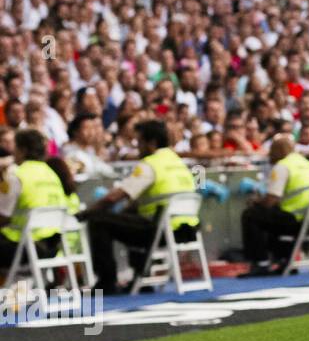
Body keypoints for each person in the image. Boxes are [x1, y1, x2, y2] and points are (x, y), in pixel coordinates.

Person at [78, 120, 200, 295]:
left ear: (151, 143)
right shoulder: (179, 163)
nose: (138, 147)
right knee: (129, 217)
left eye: (140, 142)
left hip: (161, 230)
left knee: (99, 221)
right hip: (187, 228)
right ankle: (142, 277)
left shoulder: (150, 164)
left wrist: (88, 212)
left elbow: (116, 196)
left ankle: (106, 282)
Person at [241, 134, 309, 275]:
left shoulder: (283, 166)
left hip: (303, 220)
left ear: (277, 151)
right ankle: (284, 259)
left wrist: (257, 201)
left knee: (251, 215)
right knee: (275, 218)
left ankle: (260, 262)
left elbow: (271, 200)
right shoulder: (307, 163)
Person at [0, 129, 67, 279]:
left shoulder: (16, 175)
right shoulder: (52, 174)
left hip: (23, 247)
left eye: (15, 148)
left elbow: (3, 217)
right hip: (52, 245)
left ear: (22, 150)